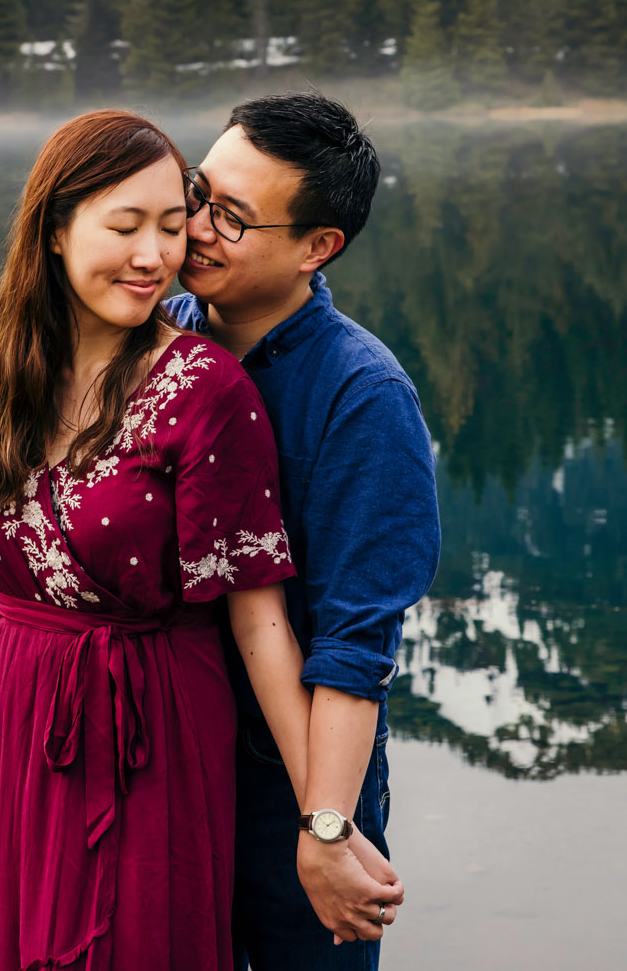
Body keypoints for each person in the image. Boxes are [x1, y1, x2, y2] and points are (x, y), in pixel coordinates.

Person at [0, 110, 372, 970]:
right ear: (55, 231)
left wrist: (325, 822)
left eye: (174, 226)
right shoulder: (2, 374)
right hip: (12, 727)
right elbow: (13, 604)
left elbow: (261, 621)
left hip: (151, 732)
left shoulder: (205, 387)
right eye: (125, 226)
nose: (156, 255)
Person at [166, 93, 442, 969]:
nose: (198, 227)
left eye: (234, 219)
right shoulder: (152, 335)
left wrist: (326, 827)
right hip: (159, 761)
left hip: (286, 782)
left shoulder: (363, 399)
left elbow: (355, 645)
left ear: (319, 247)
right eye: (198, 193)